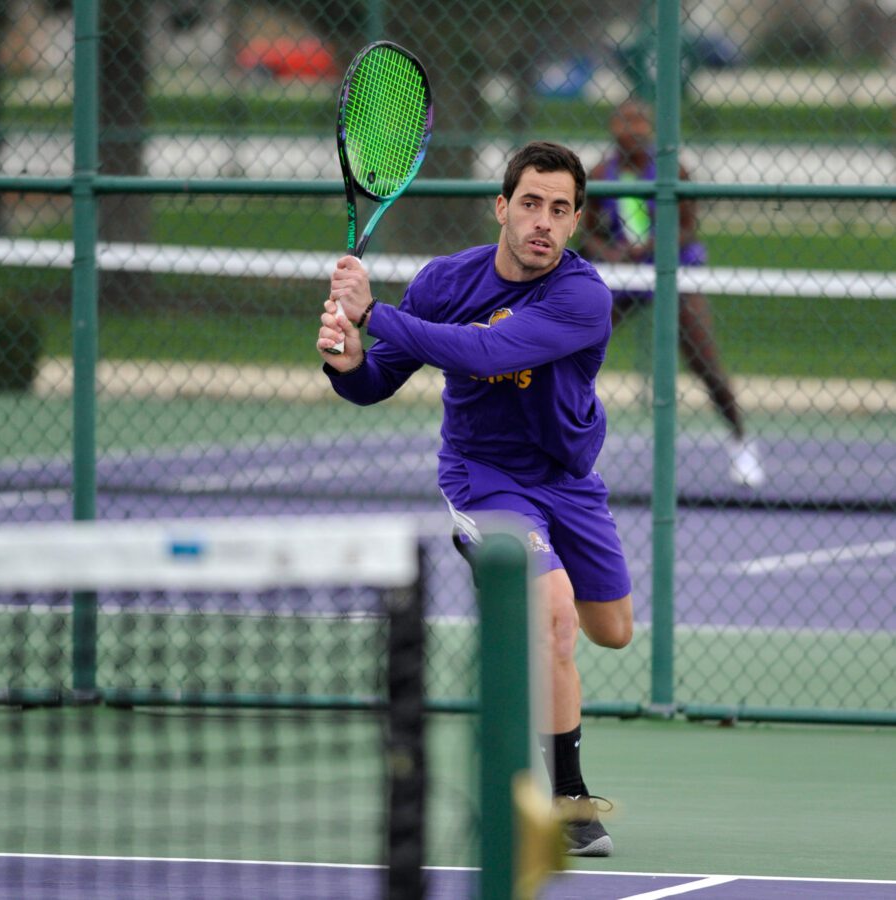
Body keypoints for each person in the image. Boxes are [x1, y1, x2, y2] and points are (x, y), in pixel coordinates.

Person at [318, 141, 632, 857]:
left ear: (577, 220)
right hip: (485, 477)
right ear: (502, 207)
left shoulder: (584, 297)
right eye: (530, 204)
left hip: (568, 480)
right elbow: (373, 384)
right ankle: (567, 799)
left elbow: (487, 353)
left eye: (560, 209)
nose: (543, 222)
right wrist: (345, 359)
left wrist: (377, 315)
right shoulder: (443, 282)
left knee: (610, 630)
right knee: (553, 617)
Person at [579, 98, 765, 488]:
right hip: (625, 274)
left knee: (705, 361)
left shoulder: (671, 168)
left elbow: (687, 228)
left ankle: (742, 443)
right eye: (625, 121)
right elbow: (588, 233)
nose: (633, 130)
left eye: (640, 122)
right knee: (578, 350)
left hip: (674, 270)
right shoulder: (600, 173)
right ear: (612, 126)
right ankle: (564, 442)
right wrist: (611, 253)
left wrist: (654, 246)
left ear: (651, 129)